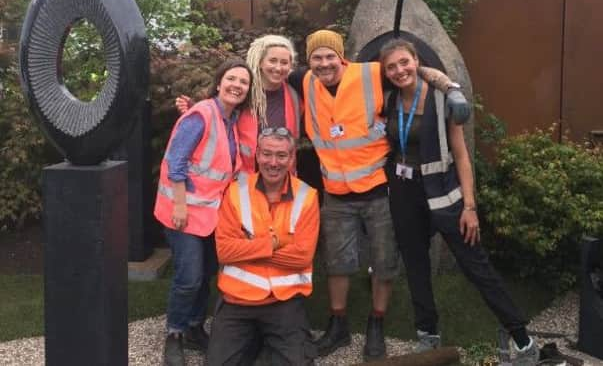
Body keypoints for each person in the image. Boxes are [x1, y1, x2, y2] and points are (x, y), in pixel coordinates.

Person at [297, 29, 469, 362]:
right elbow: (264, 76)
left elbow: (415, 69)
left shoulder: (371, 73)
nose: (324, 63)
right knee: (337, 262)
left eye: (329, 55)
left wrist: (452, 89)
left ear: (341, 55)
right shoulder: (304, 81)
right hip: (335, 192)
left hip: (378, 189)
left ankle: (376, 323)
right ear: (308, 61)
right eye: (316, 57)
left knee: (384, 260)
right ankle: (338, 324)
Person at [379, 38, 539, 365]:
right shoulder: (389, 99)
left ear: (416, 61)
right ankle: (428, 337)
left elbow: (462, 156)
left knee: (477, 267)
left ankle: (523, 340)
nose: (399, 70)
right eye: (391, 67)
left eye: (404, 62)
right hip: (405, 195)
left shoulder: (442, 100)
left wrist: (469, 207)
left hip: (444, 195)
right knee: (417, 268)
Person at [154, 58, 254, 366]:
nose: (237, 85)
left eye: (243, 82)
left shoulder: (230, 121)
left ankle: (195, 326)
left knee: (206, 273)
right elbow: (176, 162)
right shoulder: (201, 115)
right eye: (232, 79)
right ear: (219, 81)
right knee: (189, 278)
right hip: (182, 212)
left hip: (211, 215)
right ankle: (174, 334)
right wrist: (181, 205)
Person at [207, 127, 319, 365]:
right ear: (257, 155)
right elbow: (224, 251)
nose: (273, 162)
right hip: (237, 301)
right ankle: (259, 344)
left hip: (284, 303)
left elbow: (302, 258)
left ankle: (261, 346)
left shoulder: (307, 196)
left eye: (281, 156)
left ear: (291, 159)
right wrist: (276, 243)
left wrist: (248, 247)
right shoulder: (236, 191)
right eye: (267, 154)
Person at [176, 35, 302, 172]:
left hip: (283, 179)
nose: (278, 68)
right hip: (245, 181)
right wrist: (195, 110)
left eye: (284, 62)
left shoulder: (295, 95)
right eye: (272, 61)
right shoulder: (243, 92)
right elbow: (219, 119)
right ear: (260, 62)